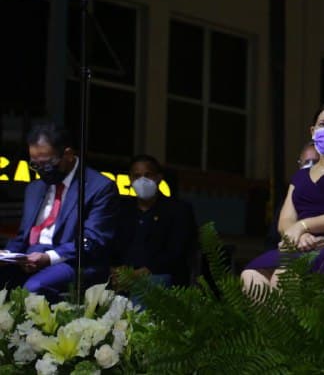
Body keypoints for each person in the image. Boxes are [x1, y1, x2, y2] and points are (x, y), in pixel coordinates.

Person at [241, 102, 324, 293]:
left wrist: (304, 226)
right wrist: (302, 236)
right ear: (313, 131)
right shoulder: (300, 177)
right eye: (322, 124)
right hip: (300, 246)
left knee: (283, 276)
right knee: (250, 277)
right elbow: (285, 220)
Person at [0, 122, 117, 300]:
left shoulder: (99, 187)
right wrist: (7, 255)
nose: (42, 171)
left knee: (33, 288)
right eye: (35, 165)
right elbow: (24, 236)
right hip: (30, 256)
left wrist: (48, 258)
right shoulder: (35, 188)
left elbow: (93, 240)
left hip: (72, 260)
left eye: (47, 164)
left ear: (68, 155)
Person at [110, 154, 197, 290]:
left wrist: (142, 273)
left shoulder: (178, 210)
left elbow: (177, 252)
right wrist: (115, 270)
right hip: (124, 278)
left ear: (158, 177)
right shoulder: (122, 210)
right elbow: (113, 246)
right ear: (130, 180)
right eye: (137, 176)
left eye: (147, 175)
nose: (142, 181)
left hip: (160, 279)